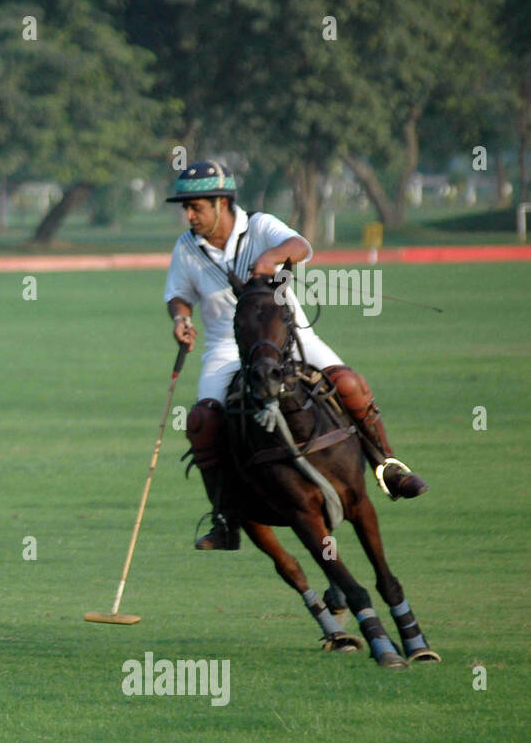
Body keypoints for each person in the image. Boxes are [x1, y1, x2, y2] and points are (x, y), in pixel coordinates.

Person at [163, 159, 427, 550]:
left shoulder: (260, 226)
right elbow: (179, 294)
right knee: (202, 421)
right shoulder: (187, 247)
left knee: (349, 383)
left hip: (288, 337)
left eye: (195, 206)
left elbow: (302, 246)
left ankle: (386, 466)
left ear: (221, 202)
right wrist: (181, 318)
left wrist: (271, 258)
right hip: (225, 347)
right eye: (185, 207)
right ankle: (224, 518)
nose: (188, 215)